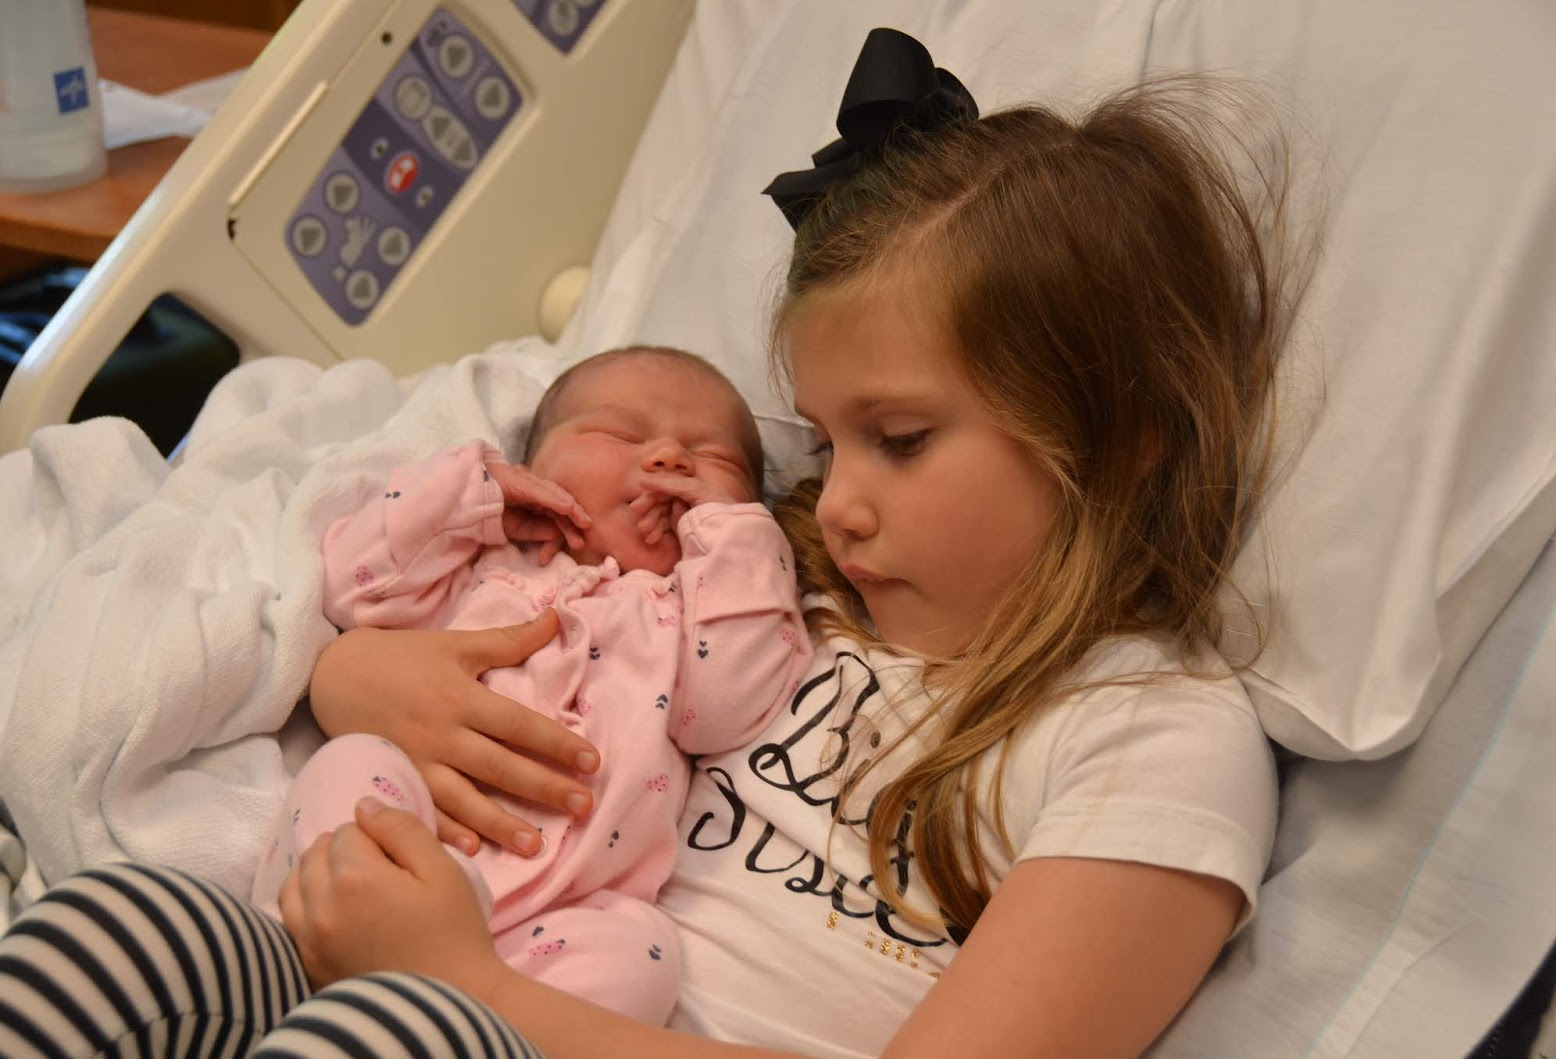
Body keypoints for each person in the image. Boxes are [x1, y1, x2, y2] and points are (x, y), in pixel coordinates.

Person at [0, 28, 1297, 1059]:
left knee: (392, 1033)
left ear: (1117, 437)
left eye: (899, 439)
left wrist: (459, 980)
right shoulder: (777, 563)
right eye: (823, 440)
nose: (837, 500)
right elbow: (490, 587)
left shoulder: (1152, 736)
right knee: (115, 933)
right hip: (377, 946)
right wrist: (346, 674)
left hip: (495, 1005)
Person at [250, 344, 812, 1025]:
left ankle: (458, 1028)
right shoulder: (486, 562)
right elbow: (351, 587)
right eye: (619, 434)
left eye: (713, 455)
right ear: (537, 465)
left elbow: (727, 709)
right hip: (406, 849)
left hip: (551, 927)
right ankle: (297, 951)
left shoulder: (700, 614)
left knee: (644, 952)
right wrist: (471, 498)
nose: (670, 456)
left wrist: (733, 537)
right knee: (352, 763)